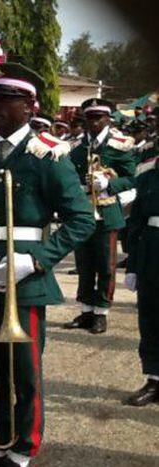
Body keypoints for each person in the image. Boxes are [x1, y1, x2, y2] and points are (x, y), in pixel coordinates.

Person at [0, 62, 95, 467]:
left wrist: (34, 262)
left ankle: (21, 451)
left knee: (24, 372)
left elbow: (82, 219)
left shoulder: (47, 156)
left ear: (28, 105)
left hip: (25, 277)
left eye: (6, 101)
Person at [64, 98, 136, 334]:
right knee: (84, 264)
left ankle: (101, 312)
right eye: (90, 118)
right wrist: (79, 187)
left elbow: (132, 177)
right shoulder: (76, 146)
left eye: (98, 117)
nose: (93, 122)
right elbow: (67, 175)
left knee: (106, 265)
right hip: (82, 212)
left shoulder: (119, 145)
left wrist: (108, 183)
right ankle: (86, 309)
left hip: (107, 211)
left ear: (108, 118)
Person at [124, 119, 159, 406]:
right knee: (150, 319)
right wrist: (133, 265)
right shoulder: (147, 172)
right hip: (151, 252)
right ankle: (154, 379)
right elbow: (135, 223)